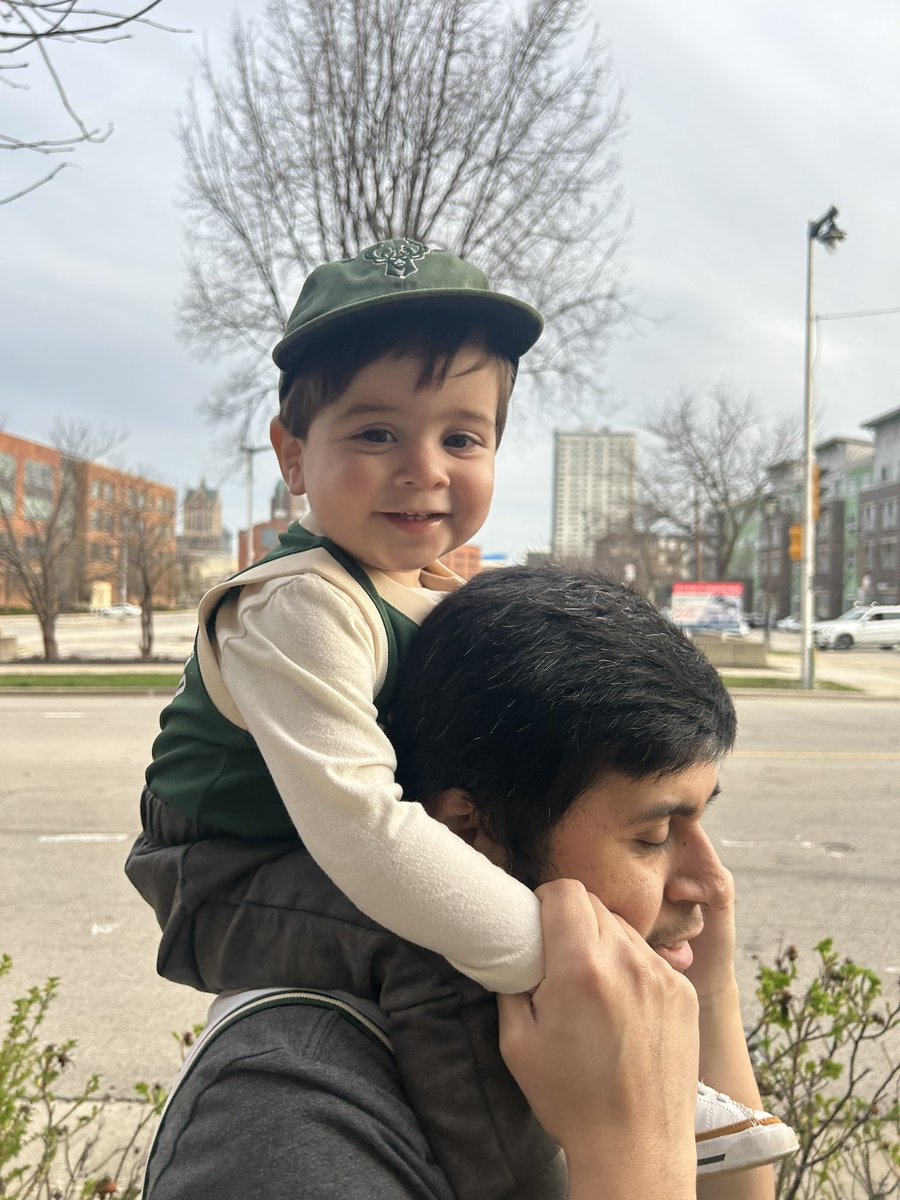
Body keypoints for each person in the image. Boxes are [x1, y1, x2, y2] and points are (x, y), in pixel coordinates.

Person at [127, 239, 795, 1197]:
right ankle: (510, 1178)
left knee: (452, 933)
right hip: (220, 872)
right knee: (431, 951)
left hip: (305, 853)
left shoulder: (409, 587)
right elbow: (369, 833)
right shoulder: (296, 606)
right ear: (292, 455)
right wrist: (554, 956)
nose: (423, 470)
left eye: (462, 438)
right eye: (375, 435)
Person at [139, 567, 785, 1200]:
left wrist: (705, 992)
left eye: (702, 820)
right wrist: (629, 1153)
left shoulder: (586, 1023)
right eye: (653, 836)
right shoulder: (288, 1123)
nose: (713, 884)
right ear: (470, 832)